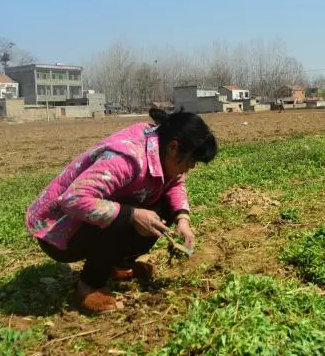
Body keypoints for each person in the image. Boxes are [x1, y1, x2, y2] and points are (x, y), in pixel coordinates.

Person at [25, 107, 217, 314]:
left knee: (160, 208)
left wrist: (182, 219)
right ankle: (90, 284)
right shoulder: (127, 158)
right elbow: (74, 199)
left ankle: (120, 265)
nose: (191, 168)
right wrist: (132, 214)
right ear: (173, 147)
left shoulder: (161, 149)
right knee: (126, 216)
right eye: (191, 161)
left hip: (92, 215)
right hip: (60, 231)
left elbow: (175, 183)